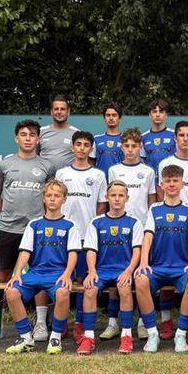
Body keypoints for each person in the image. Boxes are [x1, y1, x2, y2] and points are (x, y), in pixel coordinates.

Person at [0, 119, 56, 343]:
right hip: (8, 229)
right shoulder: (4, 165)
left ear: (38, 139)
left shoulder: (47, 166)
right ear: (16, 138)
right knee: (2, 275)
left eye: (32, 135)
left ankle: (40, 323)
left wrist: (41, 221)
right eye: (23, 134)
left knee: (39, 275)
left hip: (37, 231)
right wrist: (8, 214)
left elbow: (50, 197)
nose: (28, 138)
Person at [3, 180, 80, 354]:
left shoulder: (70, 225)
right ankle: (25, 337)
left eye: (57, 196)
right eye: (49, 195)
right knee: (11, 291)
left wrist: (68, 274)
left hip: (58, 273)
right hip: (36, 273)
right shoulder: (34, 224)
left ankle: (55, 337)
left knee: (63, 292)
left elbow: (73, 253)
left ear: (64, 199)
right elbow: (25, 251)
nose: (52, 199)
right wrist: (17, 273)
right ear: (43, 198)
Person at [133, 164, 188, 353]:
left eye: (175, 181)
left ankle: (181, 334)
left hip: (181, 267)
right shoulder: (154, 209)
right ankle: (152, 333)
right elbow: (148, 237)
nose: (171, 184)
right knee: (140, 280)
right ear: (161, 185)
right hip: (157, 267)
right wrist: (144, 262)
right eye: (168, 181)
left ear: (182, 184)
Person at [77, 181, 144, 355]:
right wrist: (92, 271)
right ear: (107, 197)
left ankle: (126, 336)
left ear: (127, 198)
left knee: (124, 288)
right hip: (101, 271)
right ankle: (88, 337)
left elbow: (137, 251)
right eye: (113, 195)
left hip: (123, 270)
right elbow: (91, 250)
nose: (117, 199)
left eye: (121, 195)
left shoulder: (134, 222)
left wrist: (129, 271)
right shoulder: (96, 222)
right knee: (90, 289)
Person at [103, 127, 157, 341]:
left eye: (134, 146)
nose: (130, 149)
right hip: (118, 229)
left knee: (142, 276)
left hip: (141, 229)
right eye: (126, 145)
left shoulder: (148, 171)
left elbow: (152, 201)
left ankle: (143, 323)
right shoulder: (114, 170)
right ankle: (112, 322)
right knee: (116, 273)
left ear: (140, 147)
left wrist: (149, 227)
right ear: (121, 147)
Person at [55, 130, 108, 342]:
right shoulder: (61, 173)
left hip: (87, 236)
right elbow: (56, 201)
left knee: (82, 280)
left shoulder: (98, 175)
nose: (82, 148)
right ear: (73, 147)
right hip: (65, 235)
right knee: (63, 278)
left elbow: (101, 205)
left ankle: (79, 323)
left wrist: (93, 229)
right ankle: (60, 323)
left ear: (91, 149)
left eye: (86, 145)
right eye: (79, 144)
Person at [38, 95, 81, 171]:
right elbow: (33, 155)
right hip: (44, 177)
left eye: (62, 109)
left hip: (68, 177)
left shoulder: (77, 133)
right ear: (51, 112)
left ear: (68, 112)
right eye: (56, 109)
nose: (59, 112)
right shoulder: (40, 131)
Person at [141, 99, 176, 173]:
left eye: (161, 111)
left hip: (170, 177)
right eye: (154, 112)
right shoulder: (143, 137)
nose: (157, 114)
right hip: (151, 178)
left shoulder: (174, 135)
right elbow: (144, 160)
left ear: (166, 115)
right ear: (150, 115)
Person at [89, 102, 124, 176]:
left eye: (114, 115)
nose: (111, 118)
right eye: (108, 115)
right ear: (104, 119)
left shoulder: (125, 139)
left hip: (120, 180)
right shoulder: (96, 139)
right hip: (100, 180)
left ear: (120, 118)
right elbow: (91, 163)